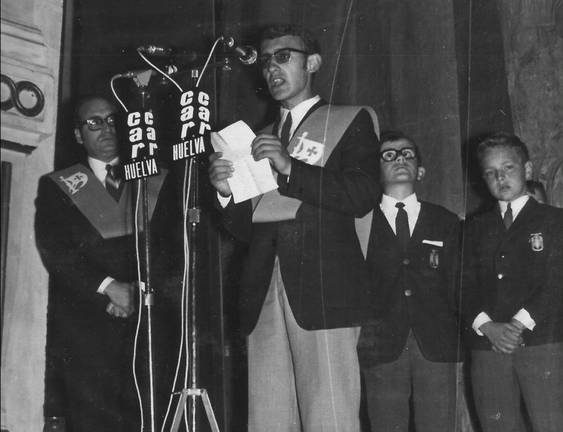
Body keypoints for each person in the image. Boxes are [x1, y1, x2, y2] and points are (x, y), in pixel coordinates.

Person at [208, 24, 380, 431]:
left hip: (324, 289)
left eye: (283, 57)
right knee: (267, 418)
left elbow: (362, 195)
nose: (272, 68)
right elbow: (245, 229)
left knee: (329, 417)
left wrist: (290, 168)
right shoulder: (256, 139)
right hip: (262, 289)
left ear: (313, 63)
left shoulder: (349, 120)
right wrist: (225, 194)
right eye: (266, 60)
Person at [35, 95, 174, 431]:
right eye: (94, 123)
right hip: (88, 324)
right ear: (78, 135)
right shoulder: (58, 186)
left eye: (112, 120)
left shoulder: (155, 179)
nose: (106, 129)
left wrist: (136, 291)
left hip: (148, 320)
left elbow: (172, 246)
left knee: (149, 417)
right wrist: (110, 288)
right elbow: (56, 250)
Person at [356, 131, 462, 432]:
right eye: (388, 155)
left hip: (437, 343)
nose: (399, 159)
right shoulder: (360, 223)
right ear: (376, 172)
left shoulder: (446, 221)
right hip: (381, 346)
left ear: (421, 171)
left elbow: (458, 284)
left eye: (407, 154)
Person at [462, 132, 563, 432]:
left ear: (527, 170)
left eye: (508, 168)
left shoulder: (554, 221)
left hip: (541, 342)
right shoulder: (473, 228)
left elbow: (556, 279)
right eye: (491, 172)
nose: (500, 178)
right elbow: (461, 285)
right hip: (488, 346)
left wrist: (518, 323)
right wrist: (487, 326)